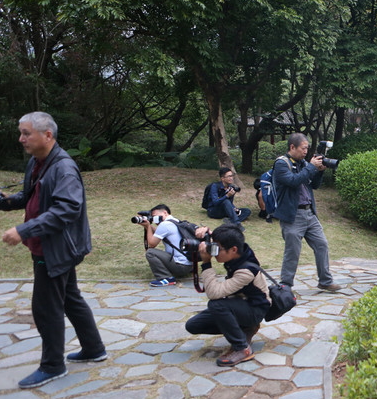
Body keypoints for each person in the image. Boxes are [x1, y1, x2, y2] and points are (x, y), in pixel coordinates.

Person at [0, 112, 106, 388]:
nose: (21, 139)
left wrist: (23, 230)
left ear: (47, 135)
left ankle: (53, 366)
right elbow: (30, 196)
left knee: (46, 307)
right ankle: (94, 349)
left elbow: (67, 209)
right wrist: (3, 201)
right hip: (49, 245)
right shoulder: (37, 162)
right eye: (21, 133)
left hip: (56, 248)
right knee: (70, 298)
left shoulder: (63, 168)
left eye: (26, 133)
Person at [185, 224, 270, 366]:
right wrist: (207, 233)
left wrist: (206, 263)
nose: (213, 252)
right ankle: (244, 329)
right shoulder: (239, 250)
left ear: (233, 250)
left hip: (255, 309)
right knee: (193, 326)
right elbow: (229, 237)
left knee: (216, 304)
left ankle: (242, 349)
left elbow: (213, 293)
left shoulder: (246, 270)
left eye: (217, 249)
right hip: (240, 303)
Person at [272, 133, 341, 291]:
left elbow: (314, 185)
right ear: (292, 147)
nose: (305, 151)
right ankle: (286, 284)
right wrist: (311, 167)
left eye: (307, 148)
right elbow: (293, 181)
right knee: (293, 251)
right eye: (303, 148)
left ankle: (325, 280)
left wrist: (320, 170)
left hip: (309, 213)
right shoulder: (281, 164)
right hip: (293, 215)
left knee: (322, 244)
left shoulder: (303, 163)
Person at [141, 204, 194, 287]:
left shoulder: (164, 225)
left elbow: (151, 244)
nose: (154, 219)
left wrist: (148, 227)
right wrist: (149, 226)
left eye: (155, 216)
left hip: (180, 267)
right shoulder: (175, 221)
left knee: (150, 253)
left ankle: (166, 278)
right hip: (189, 265)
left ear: (165, 213)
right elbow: (159, 232)